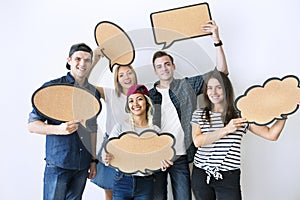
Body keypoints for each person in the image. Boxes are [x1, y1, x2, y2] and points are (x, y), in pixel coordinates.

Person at [149, 20, 228, 200]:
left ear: (173, 66)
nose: (164, 68)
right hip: (157, 157)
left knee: (184, 197)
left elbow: (221, 73)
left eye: (167, 64)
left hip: (182, 156)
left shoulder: (188, 85)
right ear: (155, 71)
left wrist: (216, 40)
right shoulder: (148, 95)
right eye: (159, 66)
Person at [191, 70, 294, 200]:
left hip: (228, 176)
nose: (214, 92)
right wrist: (226, 129)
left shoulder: (241, 115)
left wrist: (285, 112)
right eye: (210, 88)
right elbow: (198, 141)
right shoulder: (199, 114)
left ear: (226, 89)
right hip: (201, 174)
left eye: (219, 87)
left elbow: (271, 135)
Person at [27, 43, 101, 200]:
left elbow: (93, 129)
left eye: (87, 60)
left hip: (82, 165)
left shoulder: (93, 93)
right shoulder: (52, 88)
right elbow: (32, 125)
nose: (82, 63)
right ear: (69, 60)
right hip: (58, 163)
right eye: (78, 59)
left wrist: (93, 160)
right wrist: (59, 129)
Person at [103, 84, 173, 200]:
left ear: (147, 102)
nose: (135, 104)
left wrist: (163, 164)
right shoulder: (119, 127)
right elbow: (109, 153)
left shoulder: (156, 131)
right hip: (122, 181)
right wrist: (106, 157)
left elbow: (161, 157)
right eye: (131, 101)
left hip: (146, 183)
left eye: (139, 99)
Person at [90, 47, 138, 200]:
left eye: (129, 73)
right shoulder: (110, 93)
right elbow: (86, 85)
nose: (126, 77)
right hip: (111, 144)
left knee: (132, 189)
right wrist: (96, 58)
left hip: (134, 146)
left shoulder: (143, 94)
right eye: (121, 75)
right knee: (109, 189)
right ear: (117, 79)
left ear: (134, 74)